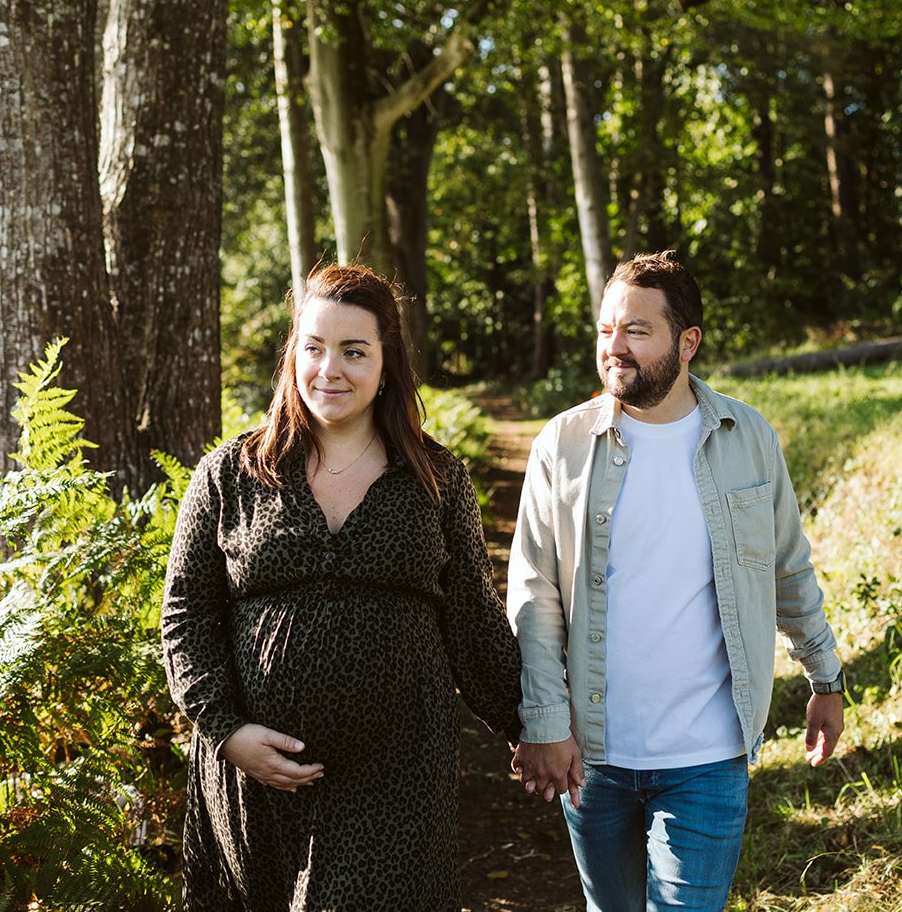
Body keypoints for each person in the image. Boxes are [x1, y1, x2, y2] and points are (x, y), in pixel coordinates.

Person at [161, 264, 522, 911]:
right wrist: (225, 728)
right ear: (293, 353)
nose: (330, 368)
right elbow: (186, 615)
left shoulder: (436, 480)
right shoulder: (228, 476)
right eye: (314, 347)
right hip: (255, 780)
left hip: (396, 775)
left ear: (388, 362)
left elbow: (474, 622)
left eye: (354, 351)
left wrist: (535, 726)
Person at [506, 250, 845, 912]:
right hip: (593, 756)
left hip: (708, 756)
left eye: (636, 330)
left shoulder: (747, 437)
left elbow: (788, 566)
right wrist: (544, 720)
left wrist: (825, 675)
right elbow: (534, 593)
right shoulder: (563, 444)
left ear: (687, 341)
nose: (614, 347)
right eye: (607, 329)